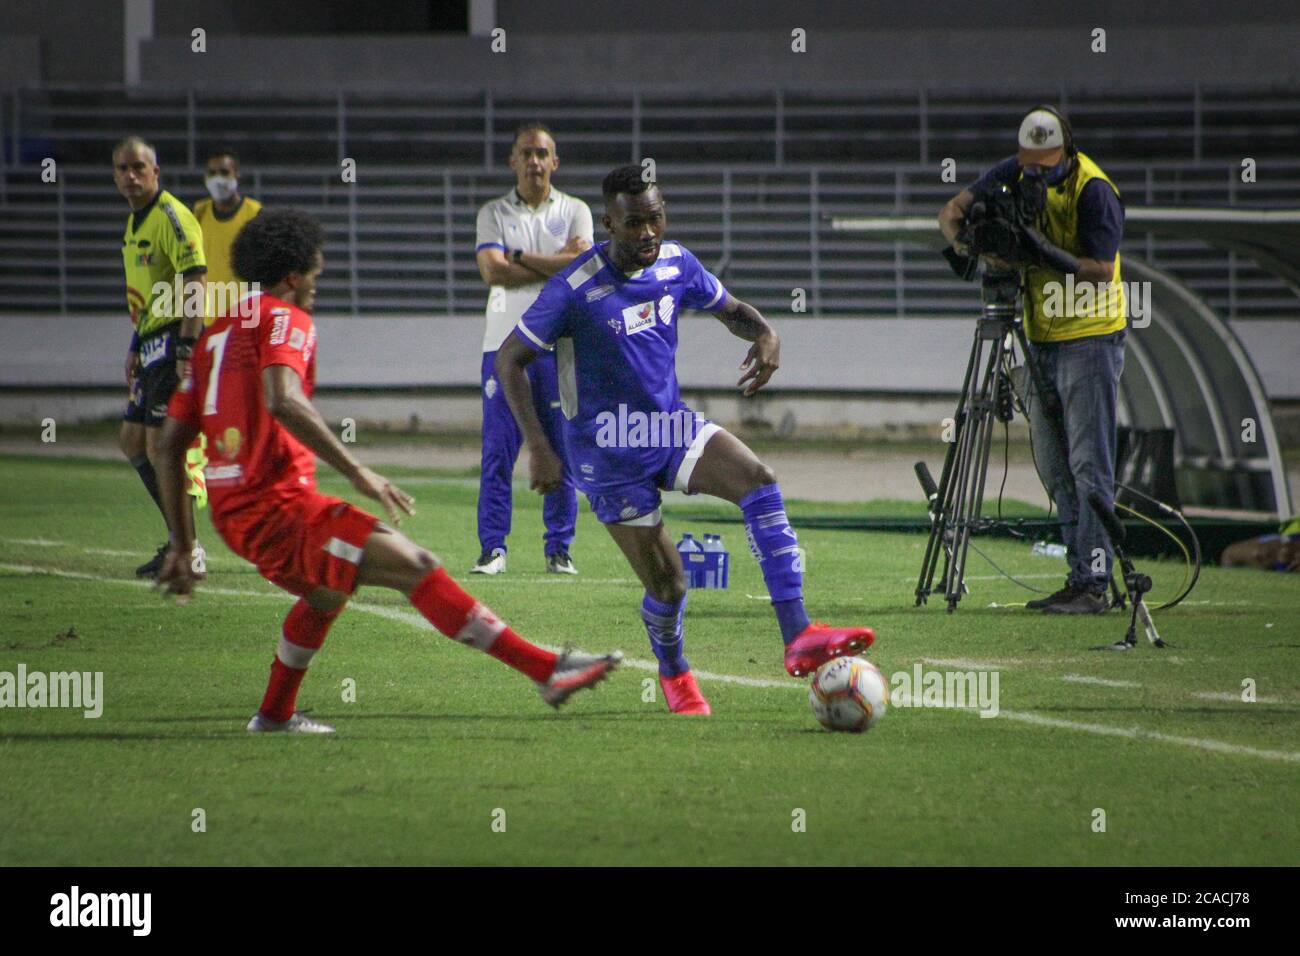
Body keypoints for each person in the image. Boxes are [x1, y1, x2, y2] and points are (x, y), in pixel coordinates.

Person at [154, 209, 621, 733]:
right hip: (277, 509)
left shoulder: (217, 332)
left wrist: (180, 542)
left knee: (325, 593)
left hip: (233, 513)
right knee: (416, 566)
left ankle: (275, 715)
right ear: (292, 276)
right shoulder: (284, 318)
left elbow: (170, 443)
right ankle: (546, 671)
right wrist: (360, 473)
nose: (315, 286)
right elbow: (283, 400)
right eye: (314, 275)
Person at [495, 166, 874, 716]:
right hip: (607, 453)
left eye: (655, 219)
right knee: (670, 587)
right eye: (633, 224)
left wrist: (767, 331)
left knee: (759, 483)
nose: (648, 232)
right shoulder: (574, 289)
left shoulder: (676, 263)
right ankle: (674, 672)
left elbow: (732, 311)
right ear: (608, 224)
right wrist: (539, 446)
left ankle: (798, 635)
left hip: (668, 428)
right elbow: (510, 359)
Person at [939, 106, 1128, 614]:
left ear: (1066, 150)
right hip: (1040, 336)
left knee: (1089, 463)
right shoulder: (1012, 171)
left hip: (1090, 336)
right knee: (1052, 463)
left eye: (1046, 164)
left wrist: (1040, 250)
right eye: (1031, 164)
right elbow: (951, 211)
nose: (1037, 173)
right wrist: (975, 248)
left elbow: (1101, 273)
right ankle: (1079, 574)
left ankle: (1094, 582)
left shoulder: (1094, 190)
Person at [471, 123, 592, 576]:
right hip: (501, 344)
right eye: (527, 153)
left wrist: (519, 257)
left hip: (559, 344)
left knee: (561, 447)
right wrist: (554, 264)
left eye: (543, 153)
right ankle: (493, 549)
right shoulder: (493, 213)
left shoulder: (576, 210)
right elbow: (492, 273)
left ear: (555, 162)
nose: (535, 161)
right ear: (513, 161)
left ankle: (558, 549)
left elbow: (580, 267)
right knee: (498, 449)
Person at [113, 135, 208, 578]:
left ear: (156, 172)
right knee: (134, 442)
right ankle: (179, 540)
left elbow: (194, 280)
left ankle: (188, 549)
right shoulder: (134, 225)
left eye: (138, 167)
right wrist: (135, 345)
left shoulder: (171, 216)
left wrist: (187, 347)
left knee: (161, 447)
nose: (130, 176)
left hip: (173, 341)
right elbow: (149, 296)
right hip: (150, 340)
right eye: (122, 169)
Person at [193, 147, 262, 317]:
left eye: (224, 172)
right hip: (209, 318)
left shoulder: (254, 213)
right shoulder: (199, 212)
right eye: (212, 173)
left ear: (236, 174)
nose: (218, 179)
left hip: (244, 317)